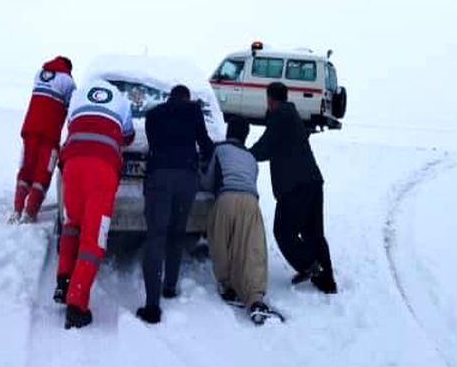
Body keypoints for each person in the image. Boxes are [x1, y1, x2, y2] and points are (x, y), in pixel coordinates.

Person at [53, 78, 135, 329]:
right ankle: (77, 305)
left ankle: (64, 281)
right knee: (94, 239)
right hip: (101, 168)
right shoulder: (122, 100)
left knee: (72, 224)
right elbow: (129, 136)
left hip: (72, 163)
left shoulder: (79, 95)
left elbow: (72, 125)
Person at [135, 84, 214, 324]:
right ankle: (169, 286)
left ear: (170, 97)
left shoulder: (153, 114)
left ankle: (152, 306)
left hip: (159, 177)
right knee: (177, 233)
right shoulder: (194, 110)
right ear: (187, 97)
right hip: (187, 178)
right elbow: (206, 143)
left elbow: (154, 144)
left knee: (156, 235)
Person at [250, 81, 337, 293]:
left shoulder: (280, 117)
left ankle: (311, 266)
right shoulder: (291, 115)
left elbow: (265, 147)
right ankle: (327, 281)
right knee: (314, 232)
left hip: (294, 186)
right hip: (312, 181)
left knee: (283, 232)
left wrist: (244, 154)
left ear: (270, 99)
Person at [201, 120, 276, 324]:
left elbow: (208, 180)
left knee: (221, 244)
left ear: (228, 132)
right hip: (251, 202)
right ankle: (255, 298)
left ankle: (228, 287)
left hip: (226, 199)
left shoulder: (220, 149)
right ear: (246, 136)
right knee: (252, 250)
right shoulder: (251, 158)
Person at [12, 55, 75, 222]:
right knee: (43, 173)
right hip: (50, 133)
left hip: (30, 129)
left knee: (26, 168)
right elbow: (72, 111)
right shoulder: (68, 82)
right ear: (69, 68)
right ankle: (30, 212)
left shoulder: (40, 73)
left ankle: (17, 209)